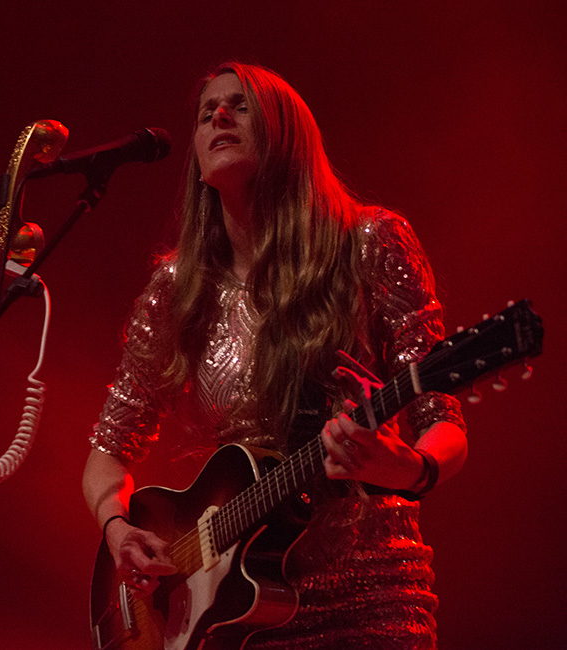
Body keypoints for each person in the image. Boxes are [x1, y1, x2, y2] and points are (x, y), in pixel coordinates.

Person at [82, 62, 467, 649]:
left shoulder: (367, 243)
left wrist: (412, 468)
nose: (217, 117)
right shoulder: (177, 289)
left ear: (286, 133)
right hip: (235, 615)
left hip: (369, 598)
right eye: (206, 111)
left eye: (240, 105)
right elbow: (106, 456)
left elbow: (445, 423)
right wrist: (117, 528)